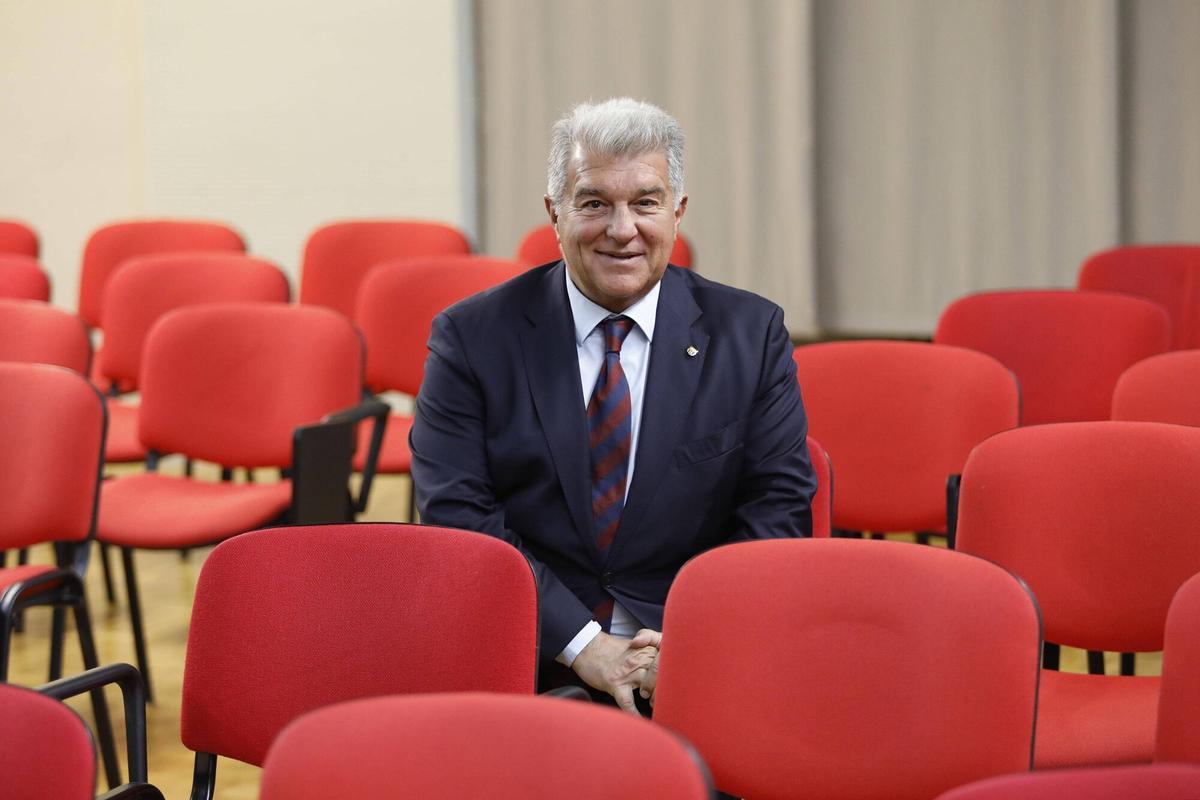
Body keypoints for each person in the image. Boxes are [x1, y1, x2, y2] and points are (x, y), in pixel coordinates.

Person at [410, 97, 815, 711]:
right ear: (555, 212)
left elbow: (776, 509)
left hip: (696, 649)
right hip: (532, 647)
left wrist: (692, 642)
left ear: (678, 213)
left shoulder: (750, 334)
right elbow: (458, 514)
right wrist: (585, 646)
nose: (622, 229)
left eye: (645, 202)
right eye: (594, 202)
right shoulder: (471, 338)